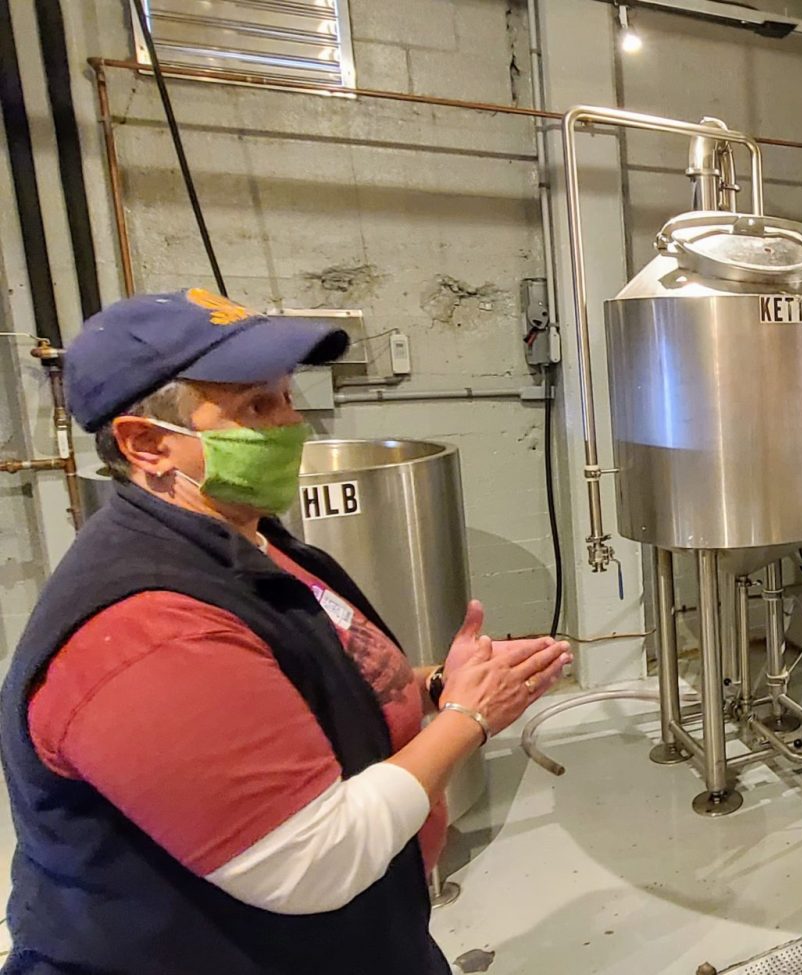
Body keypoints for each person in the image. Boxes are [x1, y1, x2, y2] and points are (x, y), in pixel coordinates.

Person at [1, 291, 572, 975]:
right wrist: (468, 718)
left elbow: (314, 685)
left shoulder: (245, 538)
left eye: (287, 397)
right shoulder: (148, 632)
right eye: (257, 407)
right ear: (146, 444)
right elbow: (314, 859)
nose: (292, 424)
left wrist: (440, 685)